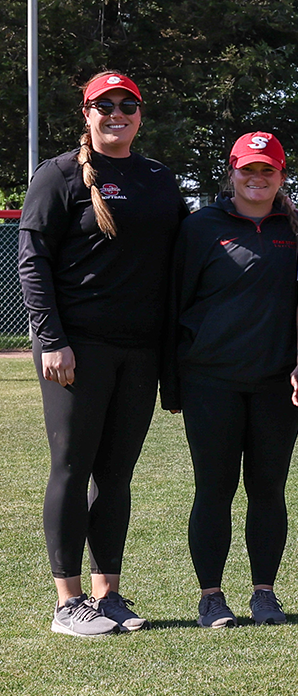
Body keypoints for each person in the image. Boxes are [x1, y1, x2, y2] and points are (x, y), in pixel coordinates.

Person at [19, 72, 187, 636]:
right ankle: (67, 603)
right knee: (72, 467)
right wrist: (52, 340)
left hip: (139, 352)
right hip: (77, 350)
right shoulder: (59, 174)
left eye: (128, 105)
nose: (117, 113)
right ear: (87, 113)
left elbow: (183, 261)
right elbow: (33, 261)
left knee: (116, 476)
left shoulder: (160, 181)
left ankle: (107, 594)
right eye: (105, 105)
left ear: (141, 114)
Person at [164, 133, 298, 628]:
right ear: (232, 173)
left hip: (276, 384)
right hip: (210, 381)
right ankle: (211, 596)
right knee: (213, 488)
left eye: (268, 170)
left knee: (269, 488)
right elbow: (174, 304)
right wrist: (173, 383)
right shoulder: (201, 227)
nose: (257, 178)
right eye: (248, 169)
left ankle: (264, 593)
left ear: (282, 176)